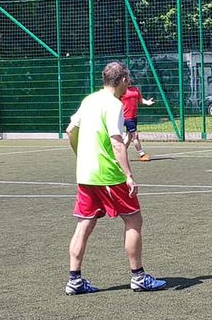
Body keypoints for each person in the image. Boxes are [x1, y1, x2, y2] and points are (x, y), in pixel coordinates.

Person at [63, 61, 166, 295]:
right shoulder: (113, 104)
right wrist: (129, 175)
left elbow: (70, 130)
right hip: (108, 174)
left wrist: (81, 155)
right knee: (134, 221)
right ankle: (138, 276)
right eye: (127, 80)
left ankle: (74, 280)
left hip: (85, 173)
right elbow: (116, 141)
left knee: (84, 225)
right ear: (122, 81)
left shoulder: (89, 100)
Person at [120, 84, 155, 162]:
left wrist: (147, 102)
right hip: (126, 117)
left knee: (129, 137)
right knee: (135, 135)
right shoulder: (121, 90)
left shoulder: (135, 89)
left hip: (134, 117)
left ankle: (120, 155)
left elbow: (140, 99)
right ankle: (142, 154)